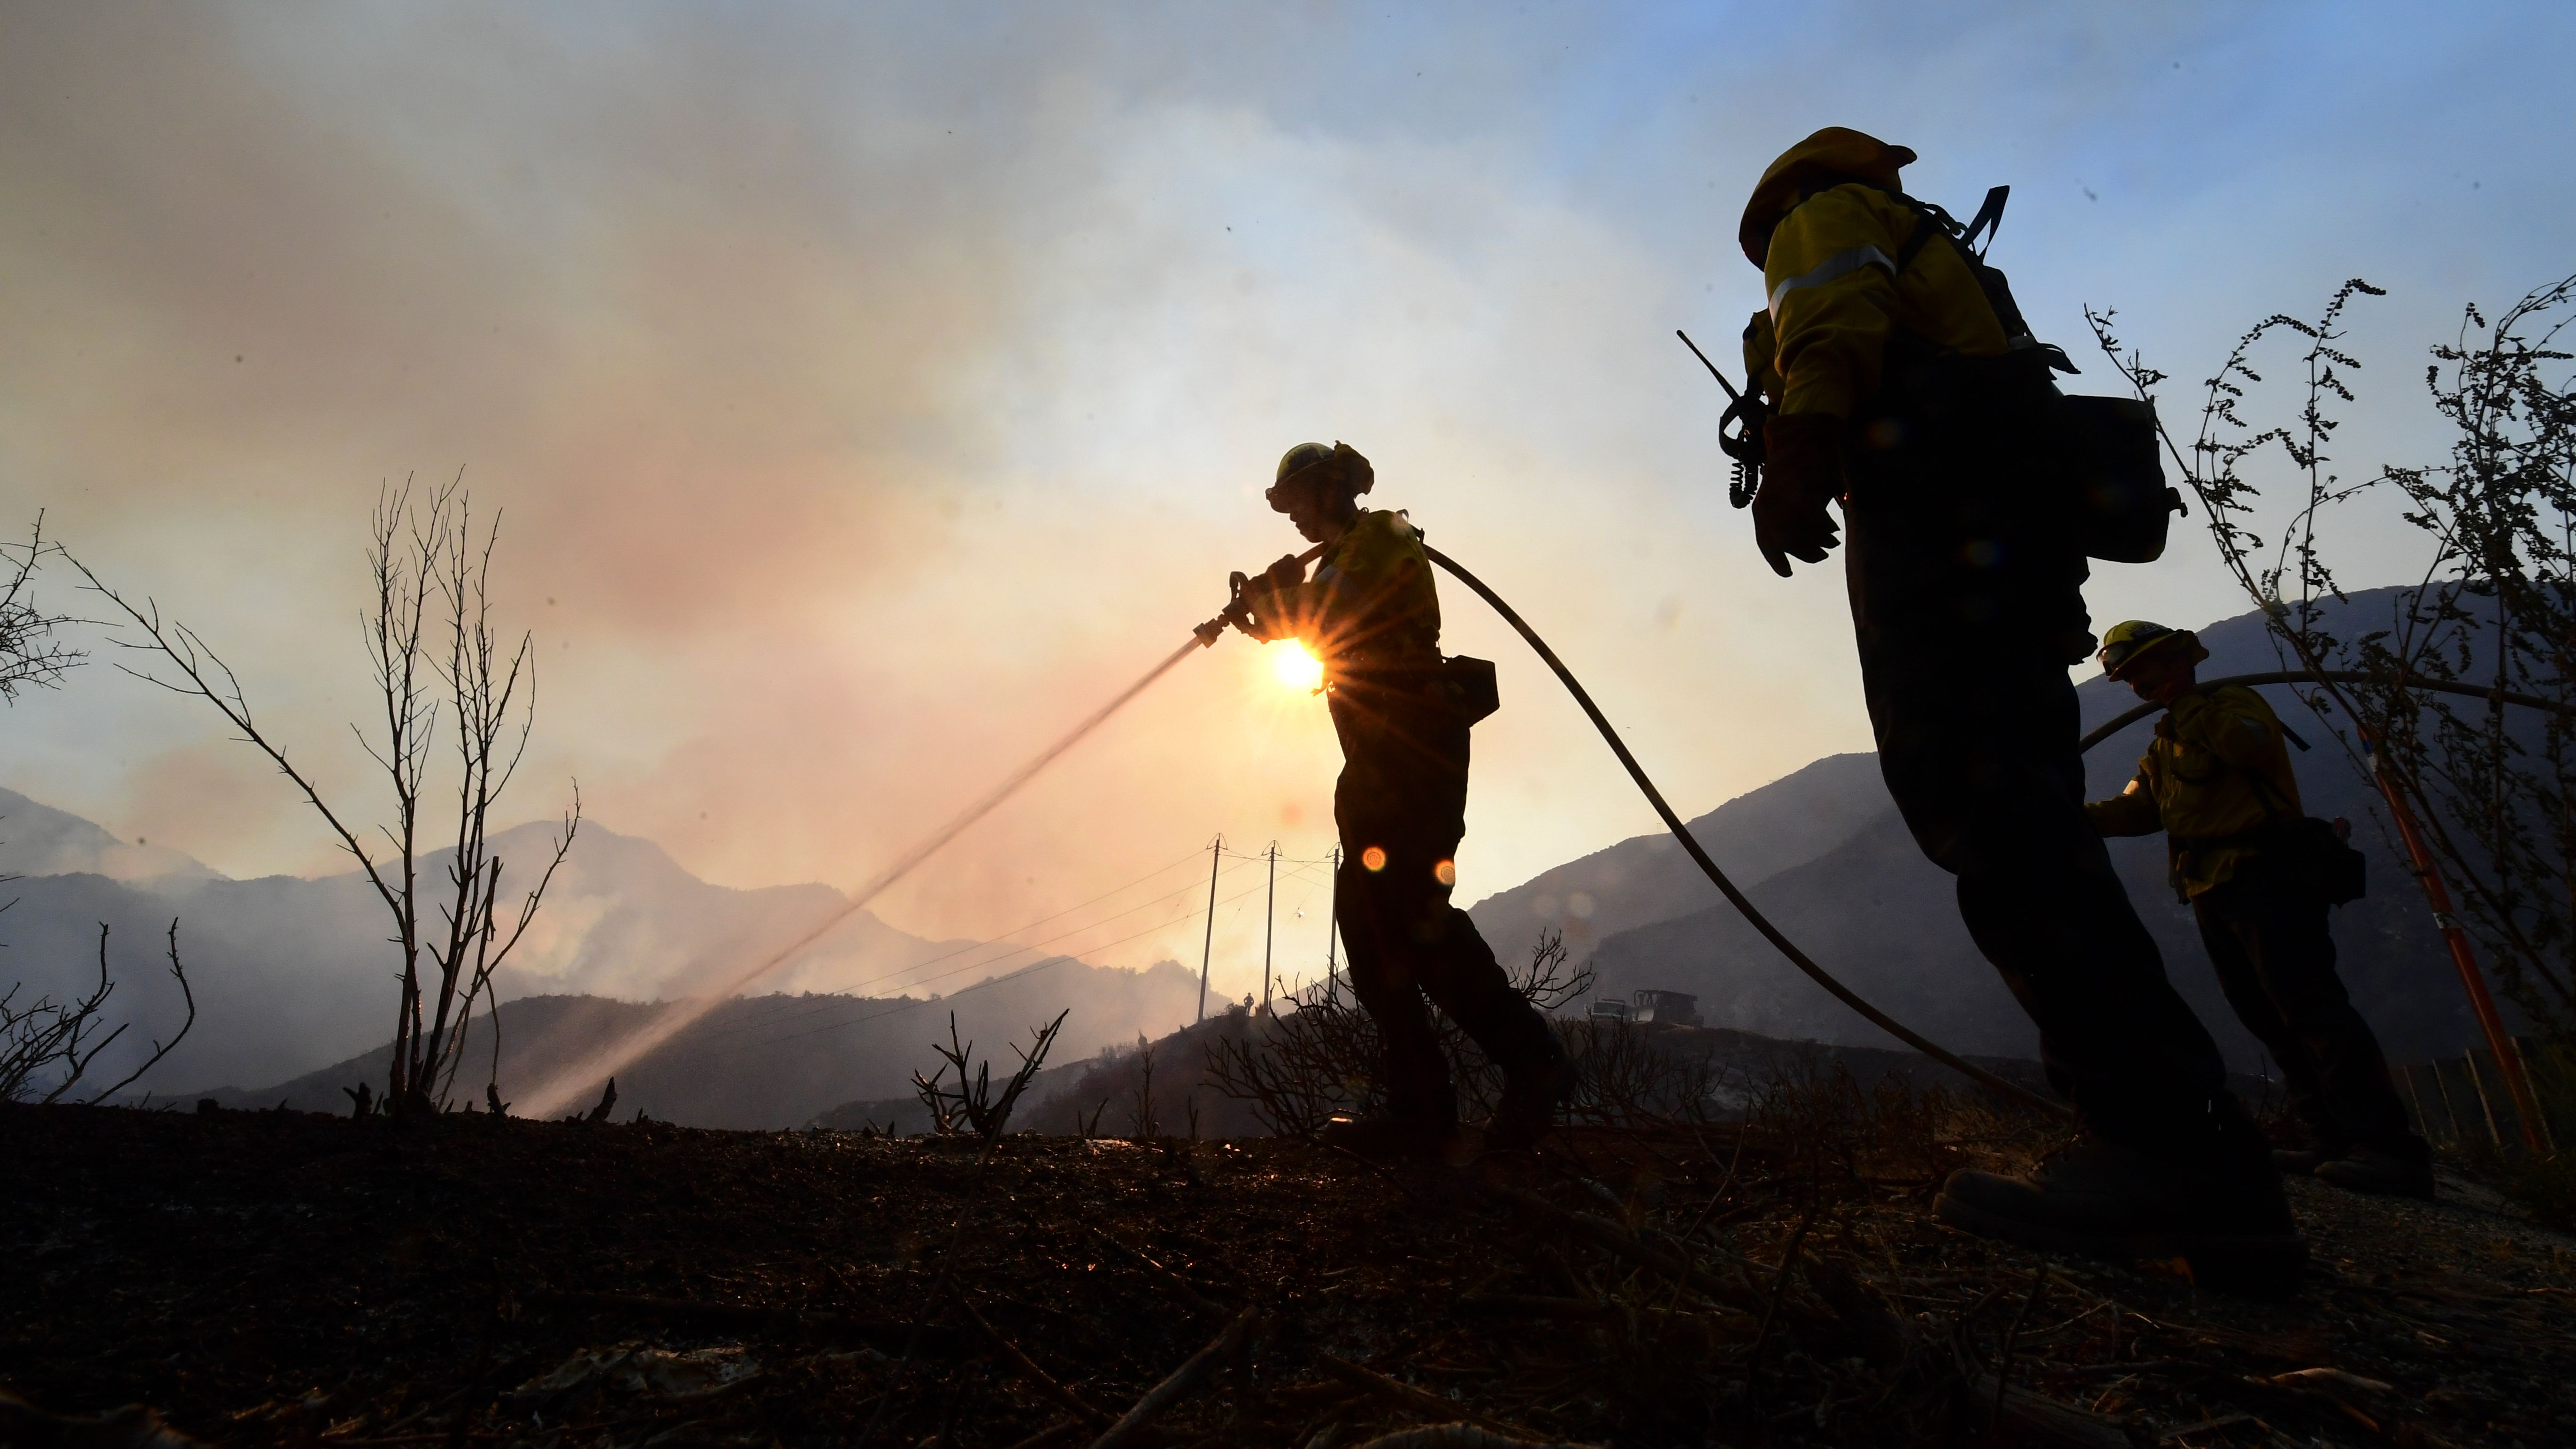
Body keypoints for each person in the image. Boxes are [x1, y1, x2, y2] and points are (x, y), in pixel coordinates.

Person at [1733, 127, 2300, 1272]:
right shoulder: (1944, 262)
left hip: (1943, 563)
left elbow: (1832, 322)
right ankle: (2192, 1160)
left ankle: (2164, 1156)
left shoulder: (1824, 217)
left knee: (2002, 837)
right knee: (2028, 832)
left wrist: (1799, 447)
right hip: (2006, 570)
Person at [1230, 441, 1572, 1157]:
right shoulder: (1345, 554)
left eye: (1298, 501)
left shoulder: (1380, 538)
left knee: (1407, 915)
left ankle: (1528, 1067)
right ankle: (1426, 1104)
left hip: (1411, 745)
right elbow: (1317, 620)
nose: (1292, 517)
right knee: (1373, 923)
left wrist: (1271, 604)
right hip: (1384, 752)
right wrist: (1268, 612)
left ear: (1329, 490)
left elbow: (1333, 612)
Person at [2086, 621, 2435, 1198]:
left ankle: (2390, 1149)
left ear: (2175, 660)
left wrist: (2190, 706)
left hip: (2265, 876)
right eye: (2127, 679)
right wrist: (2066, 815)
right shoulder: (2164, 745)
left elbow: (2246, 744)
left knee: (2311, 1008)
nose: (2136, 686)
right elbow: (2139, 809)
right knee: (2264, 1015)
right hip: (2208, 888)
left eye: (2141, 672)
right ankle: (2330, 1136)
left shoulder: (2231, 706)